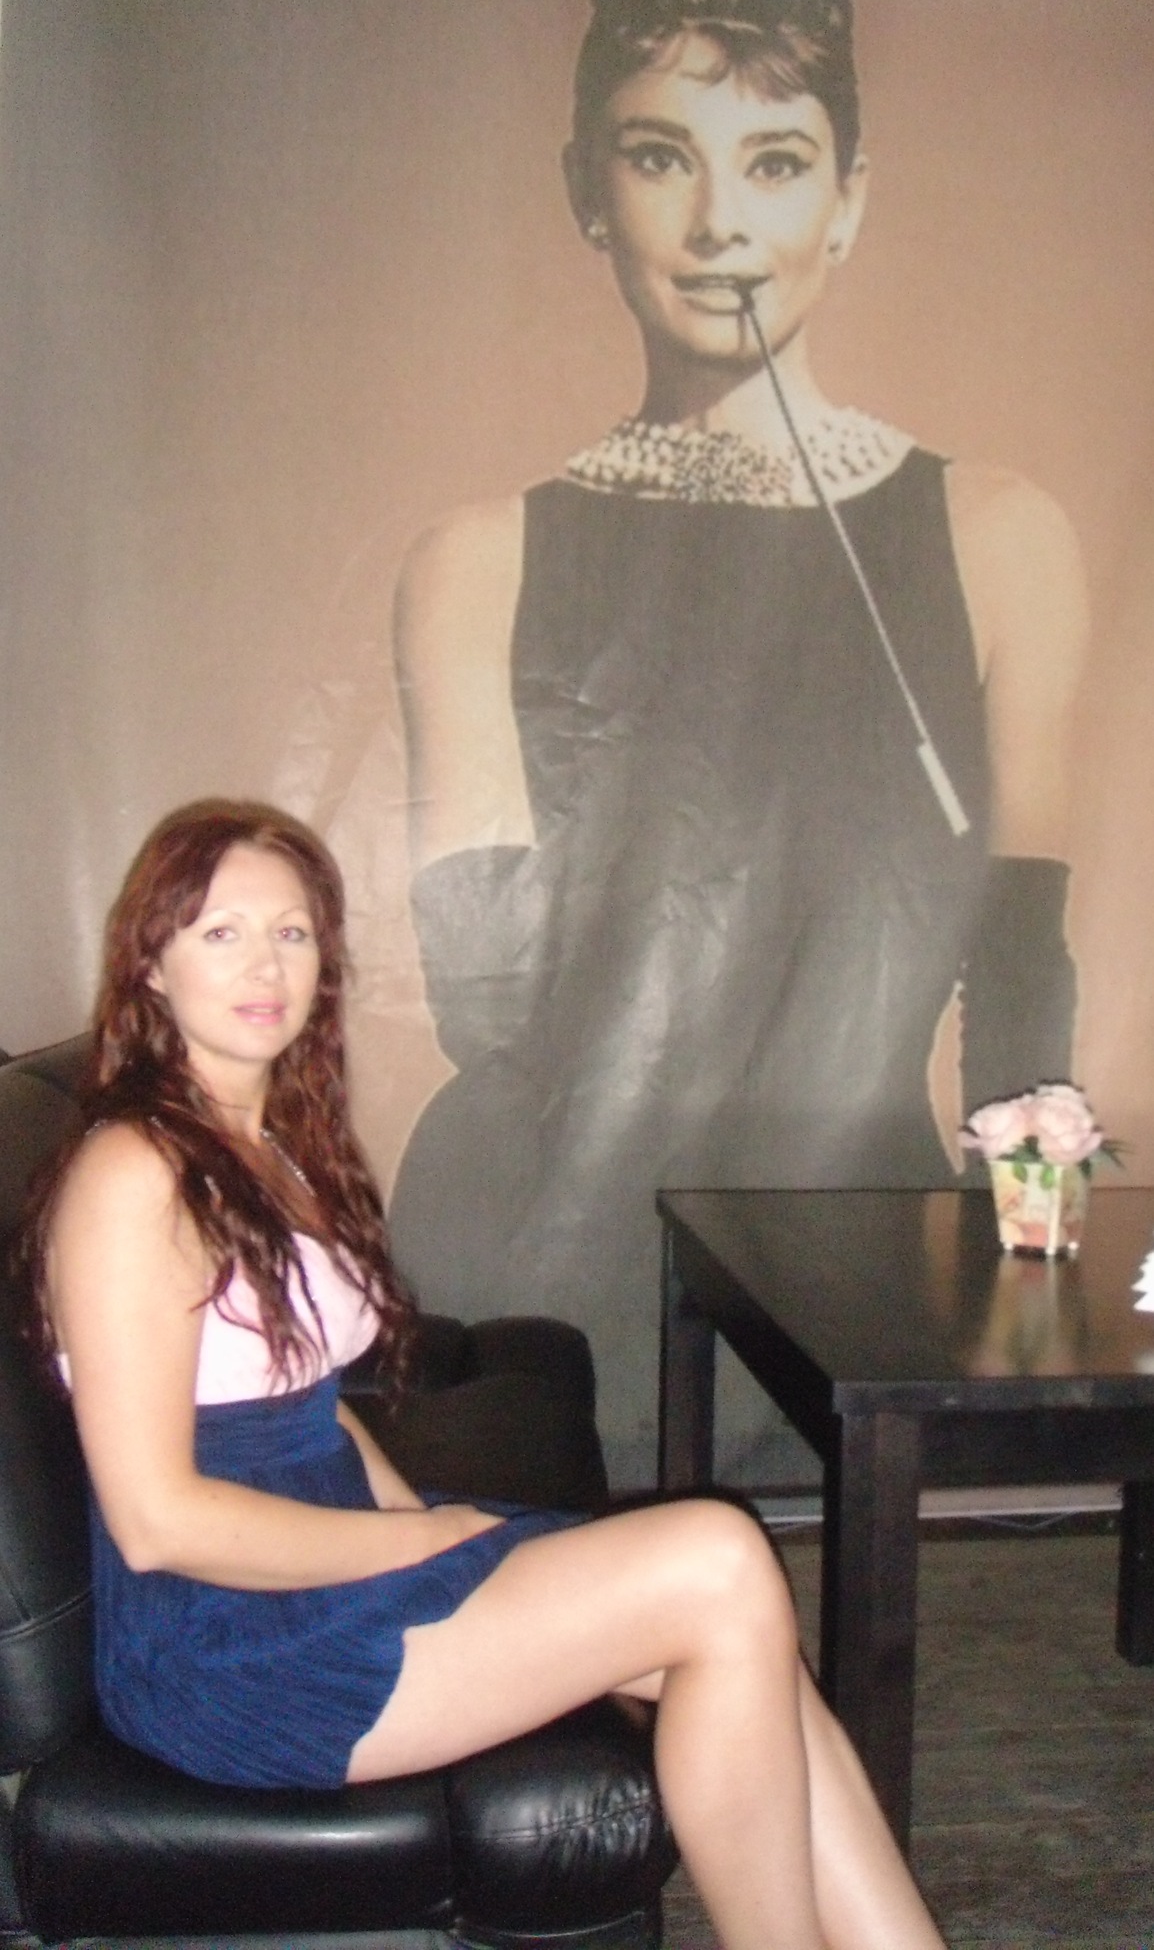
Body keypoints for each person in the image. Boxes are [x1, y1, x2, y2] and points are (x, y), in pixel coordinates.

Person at [387, 0, 1088, 1483]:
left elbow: (1017, 992)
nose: (718, 225)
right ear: (585, 188)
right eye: (659, 156)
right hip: (548, 1273)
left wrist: (1031, 1300)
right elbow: (491, 1007)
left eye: (773, 160)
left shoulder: (997, 539)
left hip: (849, 1277)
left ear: (848, 198)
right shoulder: (474, 564)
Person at [19, 795, 947, 1950]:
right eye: (221, 931)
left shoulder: (261, 1144)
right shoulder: (134, 1172)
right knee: (716, 1561)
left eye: (292, 931)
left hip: (321, 1574)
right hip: (228, 1649)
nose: (265, 963)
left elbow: (305, 1409)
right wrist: (414, 1542)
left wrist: (417, 1522)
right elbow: (159, 1521)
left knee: (747, 1627)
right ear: (150, 963)